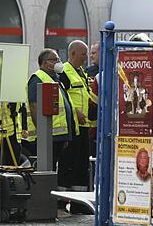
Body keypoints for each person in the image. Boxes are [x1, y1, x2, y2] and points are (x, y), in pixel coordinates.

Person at [26, 48, 76, 188]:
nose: (59, 62)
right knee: (47, 169)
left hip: (58, 134)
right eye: (55, 60)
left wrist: (66, 135)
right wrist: (42, 133)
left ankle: (55, 198)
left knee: (56, 169)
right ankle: (45, 197)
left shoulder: (56, 79)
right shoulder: (38, 78)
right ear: (46, 63)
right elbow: (34, 106)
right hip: (47, 136)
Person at [59, 40, 95, 191]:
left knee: (81, 163)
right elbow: (62, 96)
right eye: (83, 54)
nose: (86, 57)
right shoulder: (64, 72)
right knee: (69, 162)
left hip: (84, 125)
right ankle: (62, 197)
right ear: (73, 54)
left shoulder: (81, 72)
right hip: (72, 125)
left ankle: (78, 202)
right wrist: (75, 111)